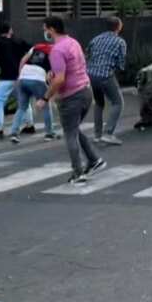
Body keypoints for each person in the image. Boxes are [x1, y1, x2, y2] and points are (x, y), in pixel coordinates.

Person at [38, 16, 106, 184]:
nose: (44, 32)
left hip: (71, 97)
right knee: (74, 129)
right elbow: (74, 67)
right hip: (85, 91)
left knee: (70, 134)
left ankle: (78, 172)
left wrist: (45, 98)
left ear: (52, 30)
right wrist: (53, 75)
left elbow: (60, 79)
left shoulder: (57, 50)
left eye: (45, 29)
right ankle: (94, 160)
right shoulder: (73, 43)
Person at [0, 23, 33, 140]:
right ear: (10, 31)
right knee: (23, 101)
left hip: (6, 77)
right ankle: (29, 125)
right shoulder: (18, 41)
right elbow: (32, 50)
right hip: (20, 77)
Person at [86, 17, 127, 146]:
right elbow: (121, 64)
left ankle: (97, 135)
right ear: (118, 27)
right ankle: (108, 133)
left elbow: (87, 55)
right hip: (105, 75)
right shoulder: (120, 42)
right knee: (118, 103)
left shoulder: (96, 39)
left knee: (99, 103)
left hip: (91, 75)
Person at [7, 42, 57, 144]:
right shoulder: (55, 51)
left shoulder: (36, 47)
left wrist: (20, 76)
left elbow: (22, 60)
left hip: (23, 77)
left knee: (22, 107)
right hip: (38, 79)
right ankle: (49, 133)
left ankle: (14, 133)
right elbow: (52, 74)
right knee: (46, 106)